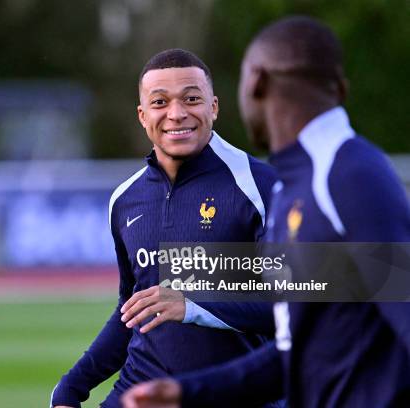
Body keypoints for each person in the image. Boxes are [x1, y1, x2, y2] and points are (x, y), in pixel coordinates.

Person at [121, 16, 410, 408]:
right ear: (340, 89)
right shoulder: (293, 186)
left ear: (254, 83)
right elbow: (298, 349)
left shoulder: (347, 173)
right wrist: (188, 392)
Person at [51, 48, 278, 408]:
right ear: (143, 115)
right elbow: (133, 308)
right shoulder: (126, 200)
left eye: (192, 99)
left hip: (234, 395)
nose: (176, 113)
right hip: (142, 390)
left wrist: (192, 303)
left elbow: (294, 304)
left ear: (214, 107)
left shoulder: (261, 186)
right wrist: (72, 386)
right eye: (160, 102)